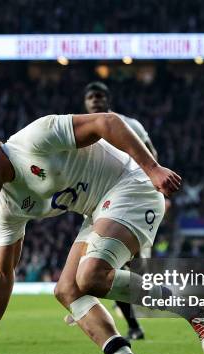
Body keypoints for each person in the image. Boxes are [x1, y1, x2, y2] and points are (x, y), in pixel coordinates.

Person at [0, 113, 204, 354]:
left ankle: (194, 309)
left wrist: (153, 168)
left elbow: (107, 122)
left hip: (133, 184)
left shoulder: (34, 139)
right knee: (67, 290)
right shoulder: (9, 206)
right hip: (99, 209)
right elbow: (3, 272)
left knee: (90, 276)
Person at [82, 81, 158, 340]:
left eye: (99, 96)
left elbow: (151, 154)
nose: (95, 101)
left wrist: (153, 182)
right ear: (85, 102)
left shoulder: (129, 125)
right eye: (91, 97)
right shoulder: (81, 128)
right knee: (109, 264)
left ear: (108, 100)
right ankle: (133, 325)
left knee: (135, 266)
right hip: (96, 201)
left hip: (128, 197)